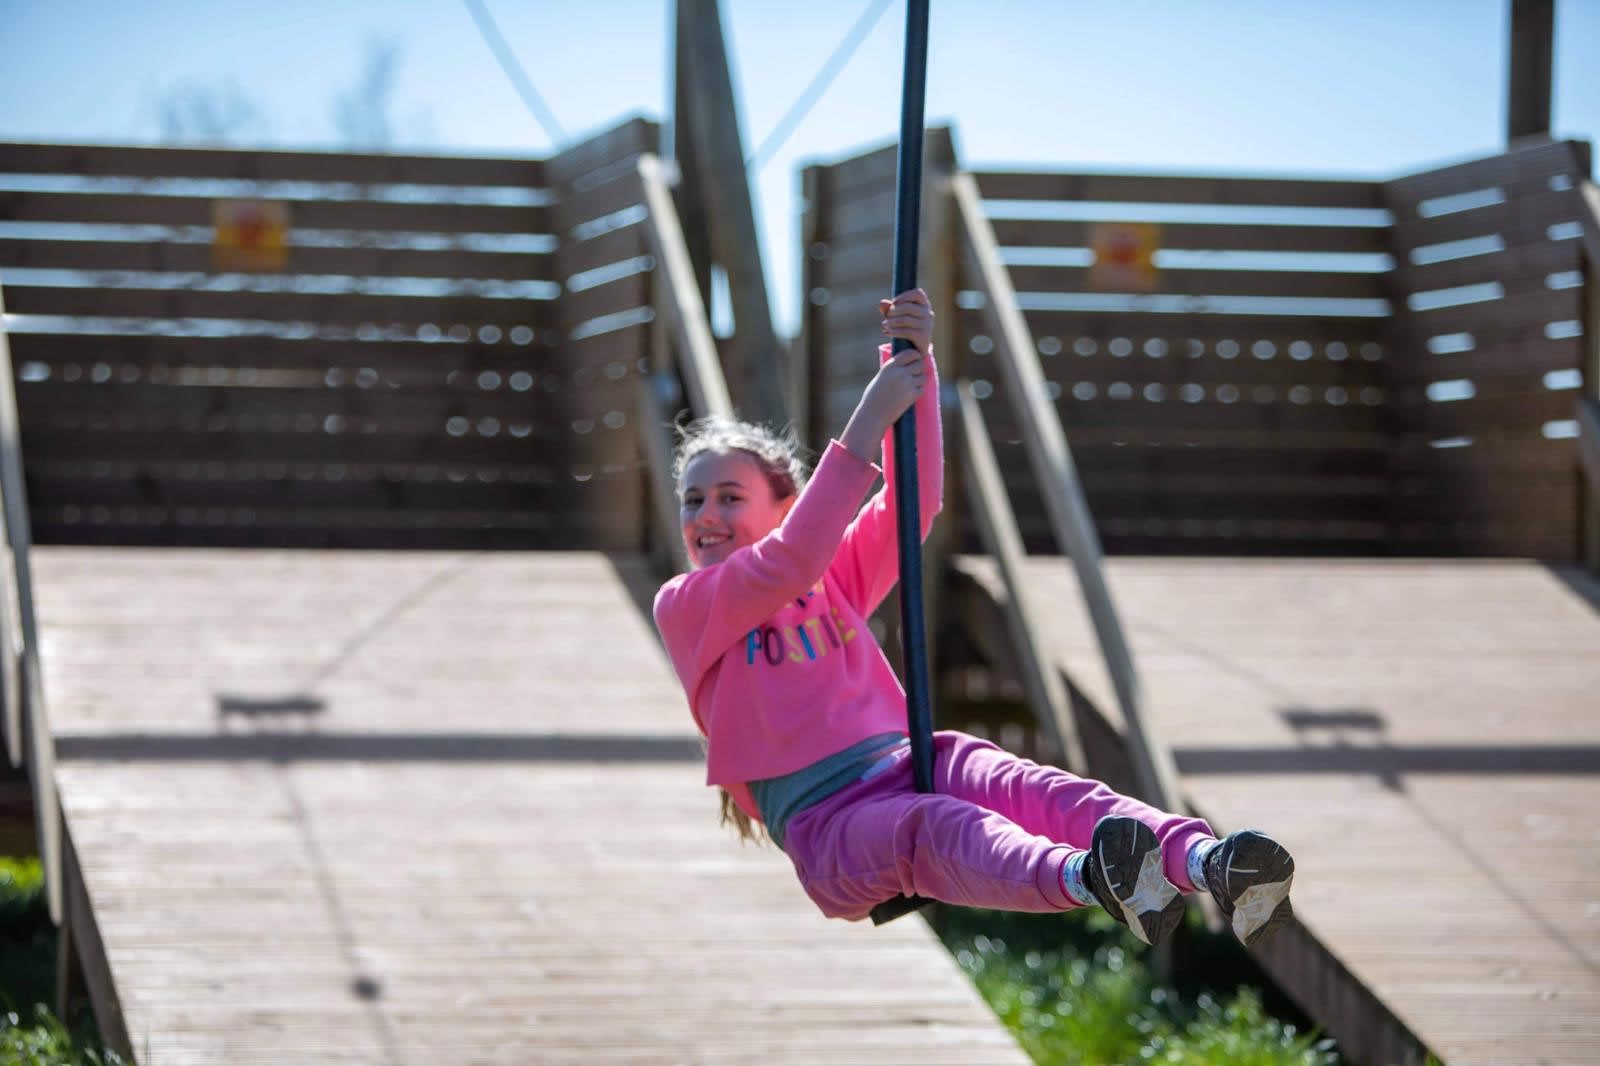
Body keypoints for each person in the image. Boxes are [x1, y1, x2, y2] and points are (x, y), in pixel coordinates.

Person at [652, 288, 1294, 948]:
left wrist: (917, 368)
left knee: (1026, 784)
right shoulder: (686, 604)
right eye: (693, 499)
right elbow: (792, 557)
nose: (705, 514)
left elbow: (915, 505)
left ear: (783, 506)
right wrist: (870, 417)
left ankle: (1209, 864)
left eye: (730, 497)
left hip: (909, 761)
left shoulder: (827, 581)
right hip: (829, 831)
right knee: (934, 828)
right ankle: (1090, 876)